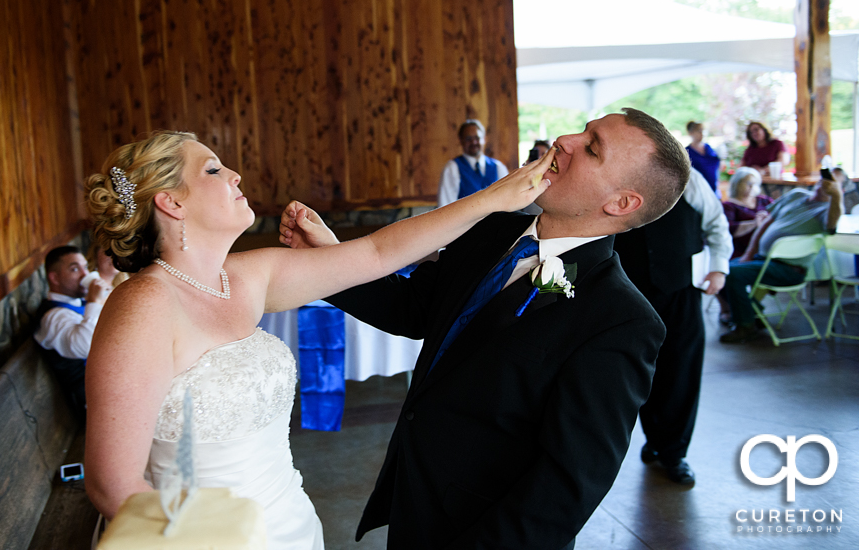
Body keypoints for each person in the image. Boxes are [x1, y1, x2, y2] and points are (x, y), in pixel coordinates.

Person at [83, 130, 553, 549]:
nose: (236, 174)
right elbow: (113, 483)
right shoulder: (143, 305)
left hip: (288, 519)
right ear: (172, 202)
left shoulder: (247, 277)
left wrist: (490, 200)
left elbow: (376, 253)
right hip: (198, 535)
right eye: (212, 168)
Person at [281, 108, 689, 550]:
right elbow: (415, 308)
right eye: (583, 129)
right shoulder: (490, 228)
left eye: (591, 148)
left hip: (482, 528)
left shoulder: (621, 321)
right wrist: (328, 258)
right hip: (415, 494)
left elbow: (567, 484)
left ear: (622, 203)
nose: (564, 140)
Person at [614, 169, 733, 486]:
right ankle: (654, 438)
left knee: (681, 369)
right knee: (636, 372)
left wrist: (718, 269)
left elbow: (716, 223)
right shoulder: (614, 176)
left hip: (681, 290)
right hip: (628, 292)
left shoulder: (689, 179)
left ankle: (674, 453)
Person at [719, 175, 843, 343]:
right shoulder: (797, 194)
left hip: (789, 268)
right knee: (720, 269)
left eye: (829, 185)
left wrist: (836, 196)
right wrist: (749, 252)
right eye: (822, 181)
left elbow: (831, 225)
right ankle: (753, 313)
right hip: (762, 259)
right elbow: (766, 223)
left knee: (732, 273)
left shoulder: (826, 211)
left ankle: (745, 326)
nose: (823, 185)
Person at [33, 246, 111, 418]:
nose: (84, 274)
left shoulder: (78, 302)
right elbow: (86, 346)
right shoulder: (52, 316)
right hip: (95, 403)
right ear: (55, 278)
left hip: (110, 387)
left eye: (86, 267)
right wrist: (95, 302)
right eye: (75, 269)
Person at [437, 119, 509, 206]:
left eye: (477, 138)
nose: (473, 142)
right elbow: (445, 206)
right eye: (468, 139)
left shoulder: (498, 167)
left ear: (484, 139)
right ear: (461, 141)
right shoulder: (452, 168)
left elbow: (508, 201)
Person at [723, 167, 773, 259]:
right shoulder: (728, 206)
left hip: (768, 247)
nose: (752, 187)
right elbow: (728, 229)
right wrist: (754, 223)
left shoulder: (764, 200)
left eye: (755, 184)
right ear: (737, 184)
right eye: (748, 183)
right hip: (741, 252)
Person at [685, 121, 720, 193]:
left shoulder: (709, 149)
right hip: (697, 191)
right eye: (699, 131)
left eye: (703, 130)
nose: (702, 133)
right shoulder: (687, 153)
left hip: (713, 189)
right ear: (691, 133)